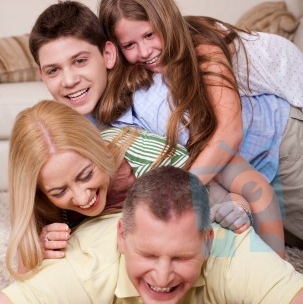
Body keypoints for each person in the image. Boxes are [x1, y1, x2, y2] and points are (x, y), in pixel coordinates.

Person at [28, 0, 288, 252]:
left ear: (108, 54)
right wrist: (44, 235)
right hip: (245, 171)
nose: (70, 80)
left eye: (80, 61)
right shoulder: (67, 128)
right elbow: (48, 196)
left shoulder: (152, 105)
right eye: (53, 70)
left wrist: (237, 207)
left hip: (281, 146)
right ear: (41, 74)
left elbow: (242, 179)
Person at [1, 166, 303, 304]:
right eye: (147, 255)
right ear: (122, 237)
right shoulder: (84, 269)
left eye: (181, 257)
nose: (162, 276)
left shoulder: (233, 252)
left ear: (207, 242)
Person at [97, 0, 303, 244]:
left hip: (283, 138)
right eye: (130, 45)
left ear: (165, 20)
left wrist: (180, 188)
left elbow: (230, 130)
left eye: (149, 34)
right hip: (249, 159)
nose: (145, 51)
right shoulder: (137, 78)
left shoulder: (202, 44)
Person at [8, 99, 258, 278]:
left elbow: (232, 197)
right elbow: (22, 278)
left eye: (86, 175)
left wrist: (237, 209)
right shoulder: (44, 200)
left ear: (97, 148)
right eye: (59, 192)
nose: (82, 197)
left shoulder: (148, 156)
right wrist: (38, 248)